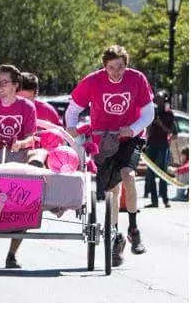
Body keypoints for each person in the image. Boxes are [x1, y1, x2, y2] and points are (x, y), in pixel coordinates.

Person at [65, 45, 155, 267]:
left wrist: (132, 129)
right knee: (112, 191)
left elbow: (148, 113)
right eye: (111, 67)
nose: (116, 72)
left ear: (127, 65)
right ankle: (115, 236)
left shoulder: (137, 79)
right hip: (103, 139)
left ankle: (133, 228)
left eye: (121, 67)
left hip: (130, 137)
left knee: (129, 174)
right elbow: (73, 109)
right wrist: (73, 129)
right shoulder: (93, 81)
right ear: (104, 66)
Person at [0, 64, 38, 269]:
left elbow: (30, 137)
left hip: (18, 155)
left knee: (35, 162)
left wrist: (20, 143)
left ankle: (12, 254)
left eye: (4, 83)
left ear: (15, 85)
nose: (0, 86)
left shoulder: (27, 107)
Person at [143, 91, 176, 208]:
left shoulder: (169, 114)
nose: (157, 101)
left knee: (162, 173)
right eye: (155, 99)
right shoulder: (152, 112)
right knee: (150, 174)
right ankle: (154, 201)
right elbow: (147, 128)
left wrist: (160, 123)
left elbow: (170, 131)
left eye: (159, 99)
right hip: (151, 145)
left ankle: (165, 200)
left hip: (162, 145)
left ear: (164, 100)